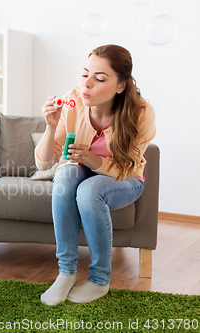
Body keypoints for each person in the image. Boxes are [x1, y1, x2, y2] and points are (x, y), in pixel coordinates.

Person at [35, 44, 156, 306]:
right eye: (84, 74)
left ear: (120, 86)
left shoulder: (141, 113)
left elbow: (128, 167)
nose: (86, 84)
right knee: (66, 176)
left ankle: (99, 280)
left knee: (89, 190)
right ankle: (65, 273)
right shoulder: (72, 102)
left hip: (126, 180)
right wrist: (50, 126)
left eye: (99, 78)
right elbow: (44, 163)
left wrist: (92, 159)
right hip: (83, 173)